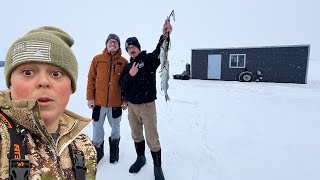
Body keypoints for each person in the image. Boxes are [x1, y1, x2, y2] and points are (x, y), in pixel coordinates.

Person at [0, 26, 97, 179]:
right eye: (28, 72)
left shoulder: (83, 146)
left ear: (71, 87)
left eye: (56, 73)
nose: (44, 82)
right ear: (10, 83)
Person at [119, 20, 172, 180]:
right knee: (136, 134)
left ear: (138, 47)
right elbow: (121, 84)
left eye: (133, 46)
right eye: (128, 48)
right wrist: (131, 75)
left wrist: (166, 34)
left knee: (152, 137)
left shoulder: (149, 60)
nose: (131, 49)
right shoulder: (128, 67)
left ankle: (157, 166)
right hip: (132, 107)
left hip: (148, 106)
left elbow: (160, 50)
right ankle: (141, 158)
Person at [86, 33, 128, 164]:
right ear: (106, 44)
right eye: (110, 42)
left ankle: (114, 151)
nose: (113, 44)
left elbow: (127, 83)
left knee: (116, 127)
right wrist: (90, 97)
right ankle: (98, 151)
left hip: (115, 104)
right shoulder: (97, 59)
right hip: (98, 103)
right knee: (97, 127)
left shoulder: (124, 62)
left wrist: (125, 100)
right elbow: (91, 79)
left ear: (119, 46)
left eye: (115, 42)